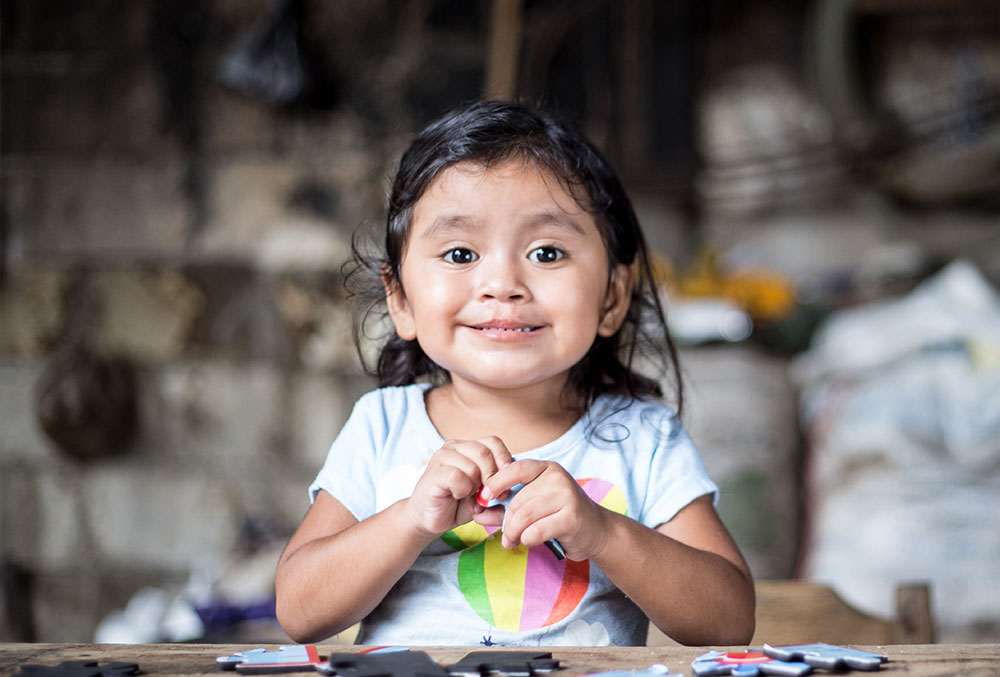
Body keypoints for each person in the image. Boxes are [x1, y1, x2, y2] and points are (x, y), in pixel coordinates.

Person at [274, 100, 754, 647]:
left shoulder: (643, 438)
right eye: (459, 254)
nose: (502, 283)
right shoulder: (382, 424)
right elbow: (298, 611)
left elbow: (729, 621)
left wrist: (603, 531)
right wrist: (410, 519)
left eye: (547, 252)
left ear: (612, 298)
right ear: (401, 300)